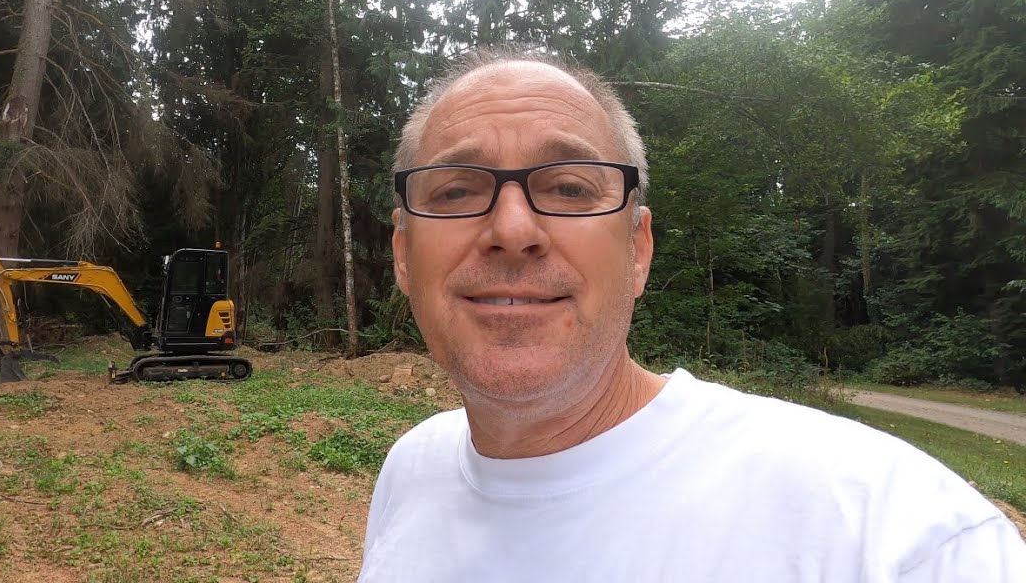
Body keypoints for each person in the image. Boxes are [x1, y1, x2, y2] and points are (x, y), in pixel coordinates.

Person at [358, 49, 1026, 582]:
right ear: (404, 256)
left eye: (568, 187)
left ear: (638, 250)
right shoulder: (412, 471)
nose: (512, 228)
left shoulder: (887, 528)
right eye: (454, 190)